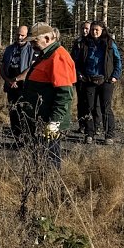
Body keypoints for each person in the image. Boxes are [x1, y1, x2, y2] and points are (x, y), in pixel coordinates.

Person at [18, 22, 76, 169]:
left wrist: (54, 122)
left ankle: (50, 190)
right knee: (40, 159)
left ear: (48, 39)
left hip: (48, 122)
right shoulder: (46, 55)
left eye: (35, 41)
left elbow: (65, 94)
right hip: (39, 119)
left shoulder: (58, 57)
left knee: (50, 161)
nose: (32, 45)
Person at [77, 21, 122, 145]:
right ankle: (89, 133)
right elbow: (78, 61)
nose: (94, 32)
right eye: (92, 30)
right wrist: (80, 74)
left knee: (105, 108)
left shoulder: (109, 43)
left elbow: (118, 60)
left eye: (97, 29)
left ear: (103, 30)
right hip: (89, 80)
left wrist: (115, 75)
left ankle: (109, 135)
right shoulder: (85, 43)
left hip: (106, 80)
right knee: (89, 107)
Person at [0, 25, 35, 143]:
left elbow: (31, 68)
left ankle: (27, 137)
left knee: (24, 111)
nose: (19, 37)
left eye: (22, 35)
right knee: (13, 111)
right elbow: (3, 66)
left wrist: (17, 79)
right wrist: (8, 80)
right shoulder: (9, 49)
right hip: (10, 86)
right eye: (17, 34)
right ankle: (16, 136)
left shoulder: (32, 49)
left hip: (24, 86)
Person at [70, 21, 93, 134]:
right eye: (83, 28)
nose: (85, 31)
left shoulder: (94, 42)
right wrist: (77, 73)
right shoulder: (77, 42)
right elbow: (73, 59)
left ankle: (94, 126)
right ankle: (82, 125)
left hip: (92, 76)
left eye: (87, 28)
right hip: (79, 76)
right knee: (81, 102)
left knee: (92, 103)